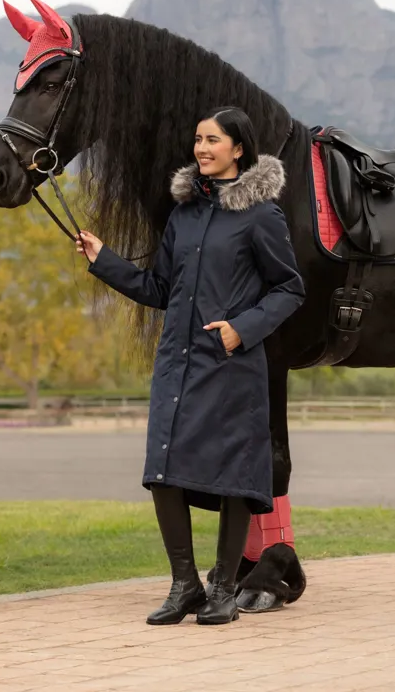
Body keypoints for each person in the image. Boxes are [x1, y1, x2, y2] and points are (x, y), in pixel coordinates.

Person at [76, 107, 305, 626]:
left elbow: (290, 288)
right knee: (162, 472)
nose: (201, 148)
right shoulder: (183, 215)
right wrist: (103, 258)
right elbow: (160, 288)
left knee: (234, 477)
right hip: (175, 363)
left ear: (238, 149)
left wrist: (241, 328)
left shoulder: (261, 215)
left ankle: (223, 587)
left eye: (213, 140)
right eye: (198, 139)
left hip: (230, 364)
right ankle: (185, 586)